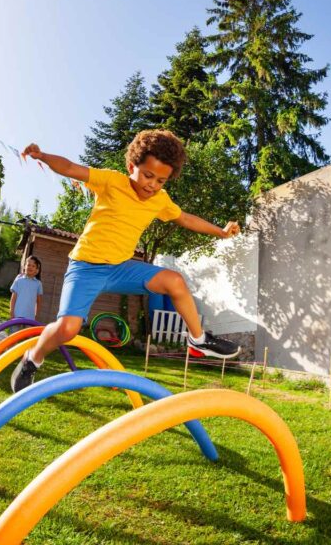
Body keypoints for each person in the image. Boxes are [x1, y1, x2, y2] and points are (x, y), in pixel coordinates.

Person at [12, 129, 242, 392]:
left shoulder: (160, 200)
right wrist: (42, 156)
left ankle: (198, 340)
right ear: (131, 166)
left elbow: (186, 218)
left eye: (161, 181)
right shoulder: (111, 181)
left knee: (174, 281)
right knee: (68, 328)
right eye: (148, 175)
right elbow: (71, 168)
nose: (152, 185)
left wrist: (221, 232)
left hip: (121, 268)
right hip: (86, 267)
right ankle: (33, 358)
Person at [9, 255, 44, 322]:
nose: (30, 267)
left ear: (37, 270)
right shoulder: (19, 280)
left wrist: (36, 316)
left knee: (27, 333)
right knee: (15, 333)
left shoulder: (38, 284)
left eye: (33, 266)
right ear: (24, 266)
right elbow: (13, 299)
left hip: (30, 318)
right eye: (28, 265)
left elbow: (39, 302)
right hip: (16, 316)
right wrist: (11, 312)